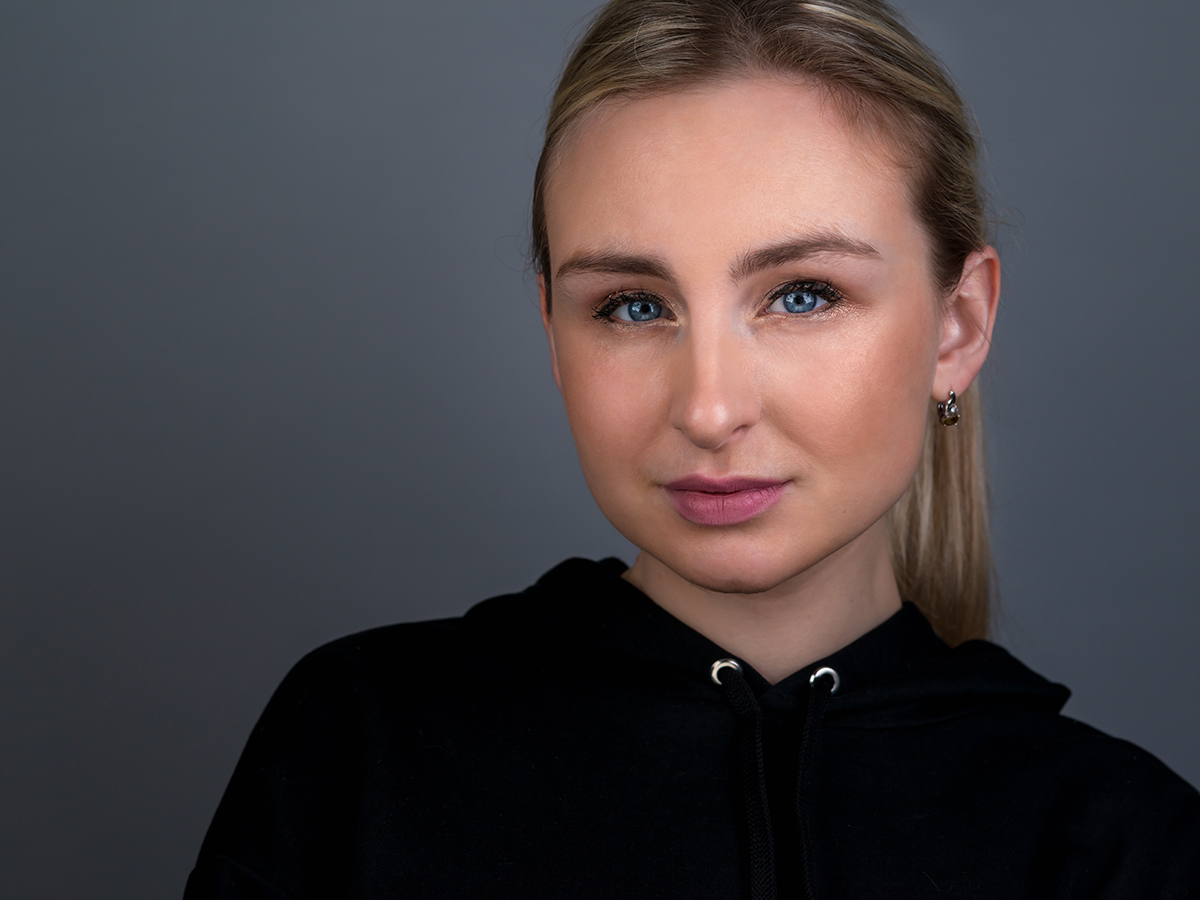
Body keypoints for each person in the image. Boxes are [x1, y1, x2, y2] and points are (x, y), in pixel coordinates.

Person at [184, 1, 1200, 897]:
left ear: (957, 327)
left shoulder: (1123, 845)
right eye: (632, 306)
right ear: (553, 334)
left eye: (803, 295)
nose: (709, 410)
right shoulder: (363, 752)